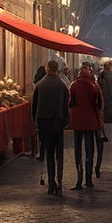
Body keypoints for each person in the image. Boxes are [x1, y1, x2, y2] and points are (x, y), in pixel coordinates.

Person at [32, 59, 70, 196]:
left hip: (44, 123)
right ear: (57, 68)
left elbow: (34, 107)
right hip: (58, 123)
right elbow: (67, 104)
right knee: (59, 154)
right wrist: (66, 121)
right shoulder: (62, 85)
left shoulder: (40, 85)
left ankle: (51, 182)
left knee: (48, 153)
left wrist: (35, 122)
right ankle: (59, 181)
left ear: (48, 68)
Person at [68, 62, 103, 190]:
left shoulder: (74, 85)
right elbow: (99, 104)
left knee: (78, 150)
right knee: (90, 150)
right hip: (91, 122)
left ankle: (79, 179)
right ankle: (88, 179)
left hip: (77, 121)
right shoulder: (95, 86)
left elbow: (71, 102)